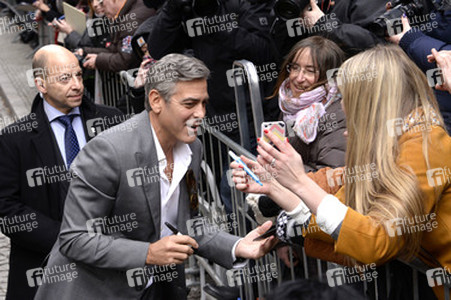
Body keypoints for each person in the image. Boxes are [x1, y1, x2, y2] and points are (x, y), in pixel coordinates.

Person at [34, 54, 276, 300]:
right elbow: (75, 239)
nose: (201, 113)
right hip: (95, 290)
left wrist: (236, 246)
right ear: (156, 100)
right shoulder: (109, 151)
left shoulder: (193, 149)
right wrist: (148, 253)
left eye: (204, 103)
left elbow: (186, 222)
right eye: (190, 104)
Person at [231, 45, 451, 299]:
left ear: (370, 99)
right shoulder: (391, 143)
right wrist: (277, 186)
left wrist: (300, 182)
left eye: (346, 95)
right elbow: (342, 217)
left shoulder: (425, 143)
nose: (342, 104)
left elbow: (375, 241)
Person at [0, 44, 124, 300]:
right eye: (65, 78)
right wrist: (69, 241)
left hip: (109, 268)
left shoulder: (111, 121)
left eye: (78, 75)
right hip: (45, 268)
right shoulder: (14, 140)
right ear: (41, 84)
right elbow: (7, 209)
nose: (77, 85)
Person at [271, 36, 346, 172]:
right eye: (295, 68)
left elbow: (332, 175)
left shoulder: (339, 115)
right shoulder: (291, 103)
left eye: (310, 71)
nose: (298, 78)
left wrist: (282, 171)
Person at [80, 0, 156, 72]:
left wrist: (98, 60)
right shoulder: (129, 14)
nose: (101, 7)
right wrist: (85, 51)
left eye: (102, 3)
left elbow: (125, 60)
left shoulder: (131, 20)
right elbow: (115, 49)